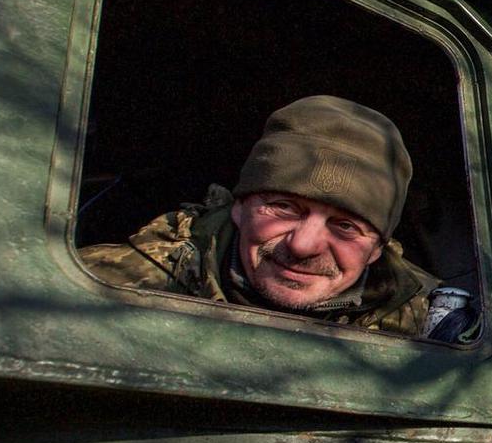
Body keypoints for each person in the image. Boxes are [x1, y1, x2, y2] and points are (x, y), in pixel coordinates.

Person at [81, 95, 440, 337]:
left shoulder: (428, 324)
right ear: (239, 206)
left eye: (345, 226)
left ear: (377, 247)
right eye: (284, 207)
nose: (303, 245)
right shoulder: (101, 289)